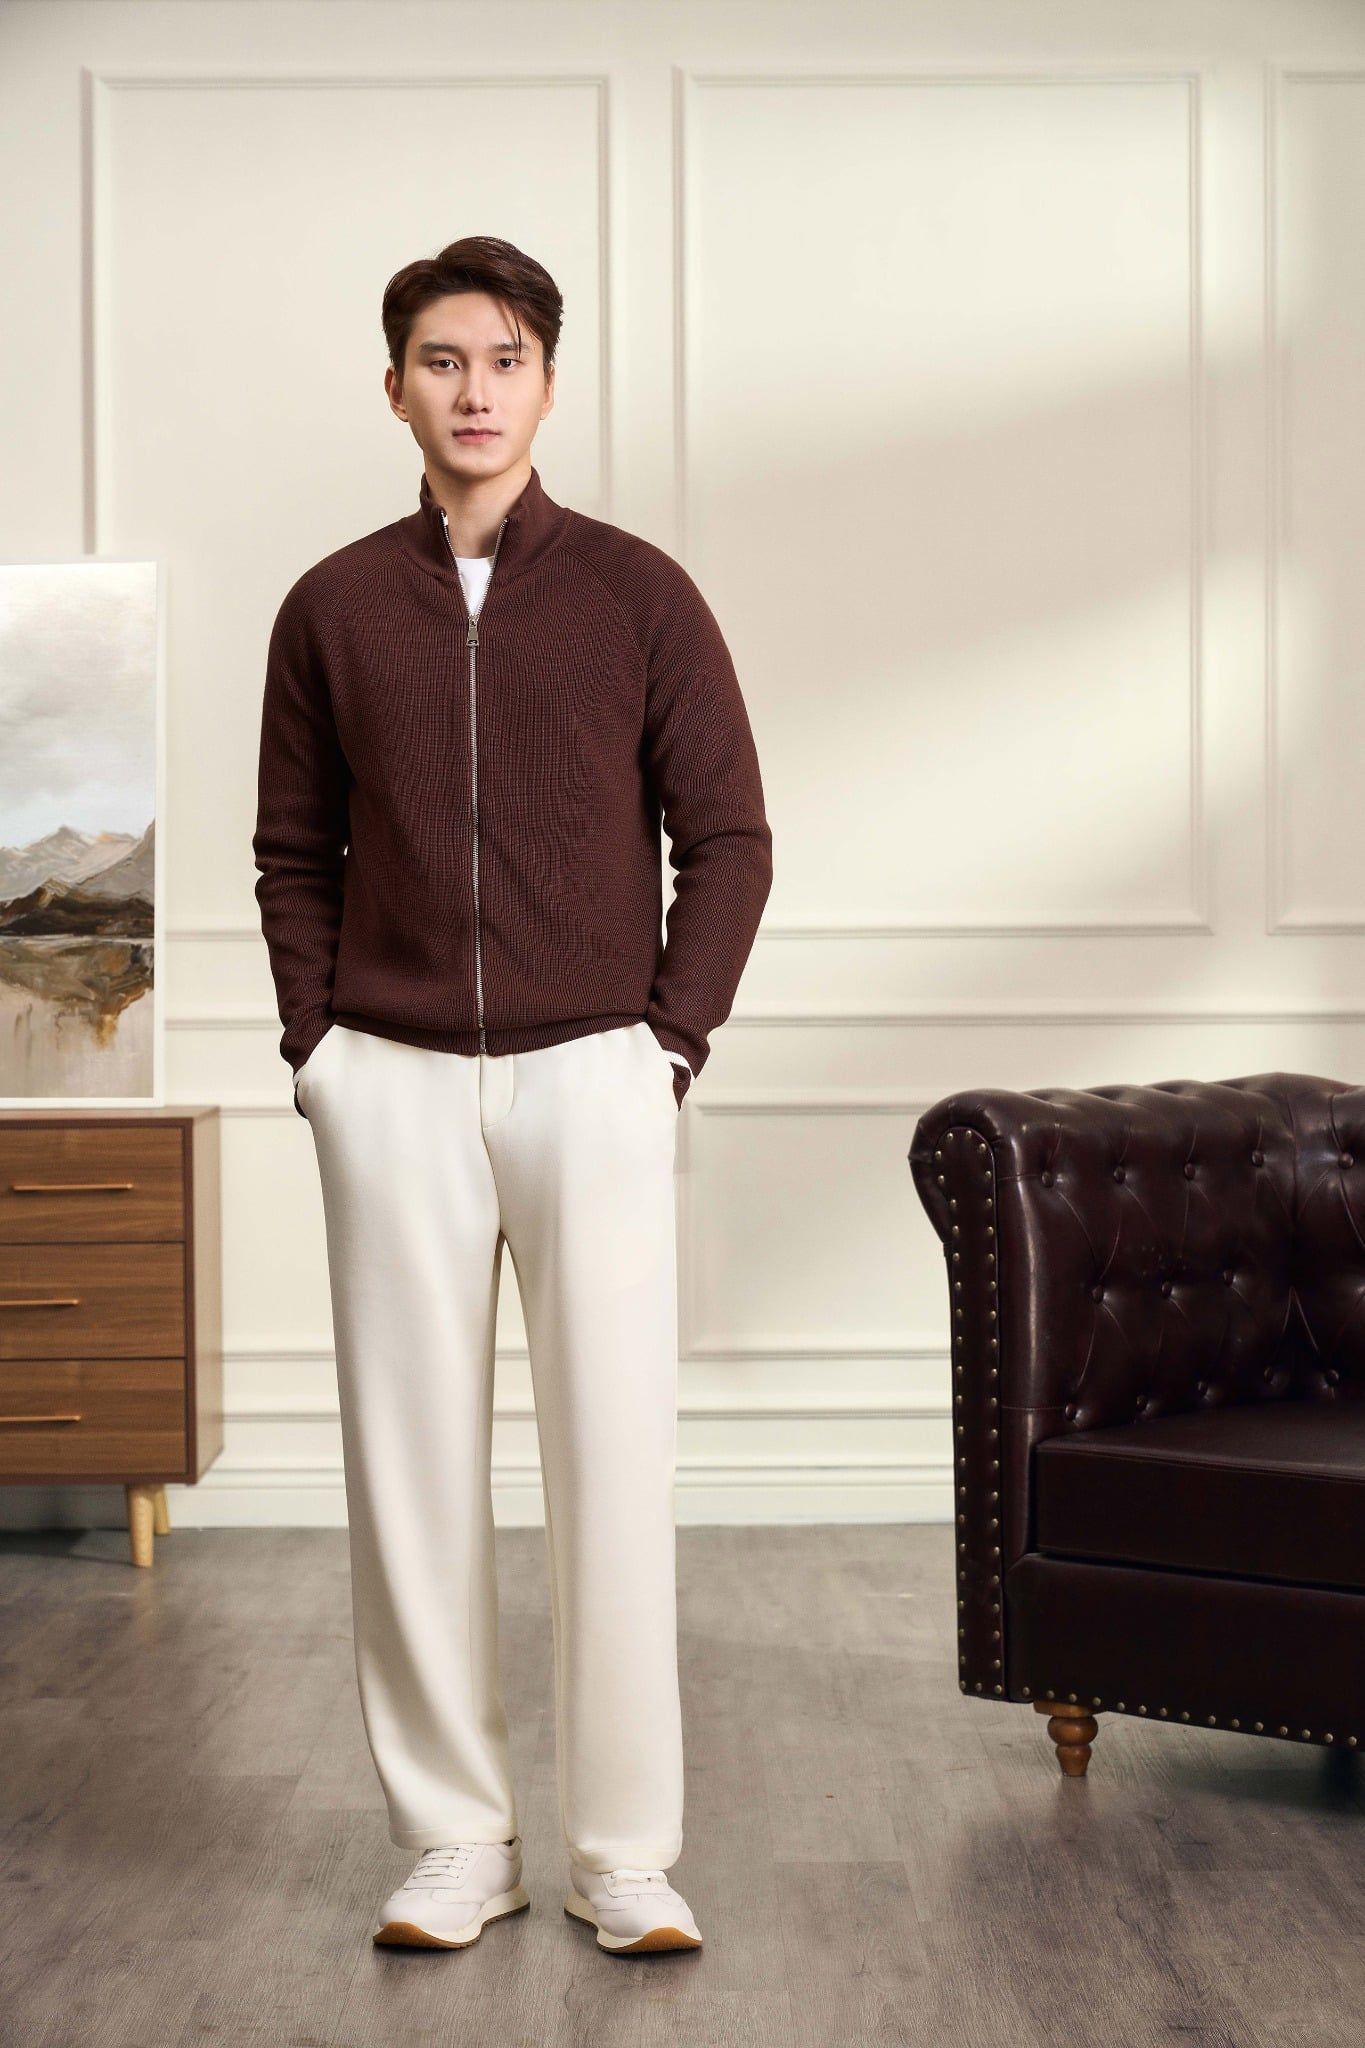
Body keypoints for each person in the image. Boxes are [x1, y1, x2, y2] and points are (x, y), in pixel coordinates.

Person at [251, 235, 772, 1956]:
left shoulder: (636, 594)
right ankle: (452, 1841)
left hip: (592, 1077)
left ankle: (623, 1854)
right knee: (409, 1477)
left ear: (547, 383)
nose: (473, 391)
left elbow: (729, 839)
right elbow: (291, 853)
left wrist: (666, 1046)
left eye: (504, 360)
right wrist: (319, 1053)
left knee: (615, 1470)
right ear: (393, 385)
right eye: (441, 360)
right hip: (389, 1083)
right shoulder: (332, 607)